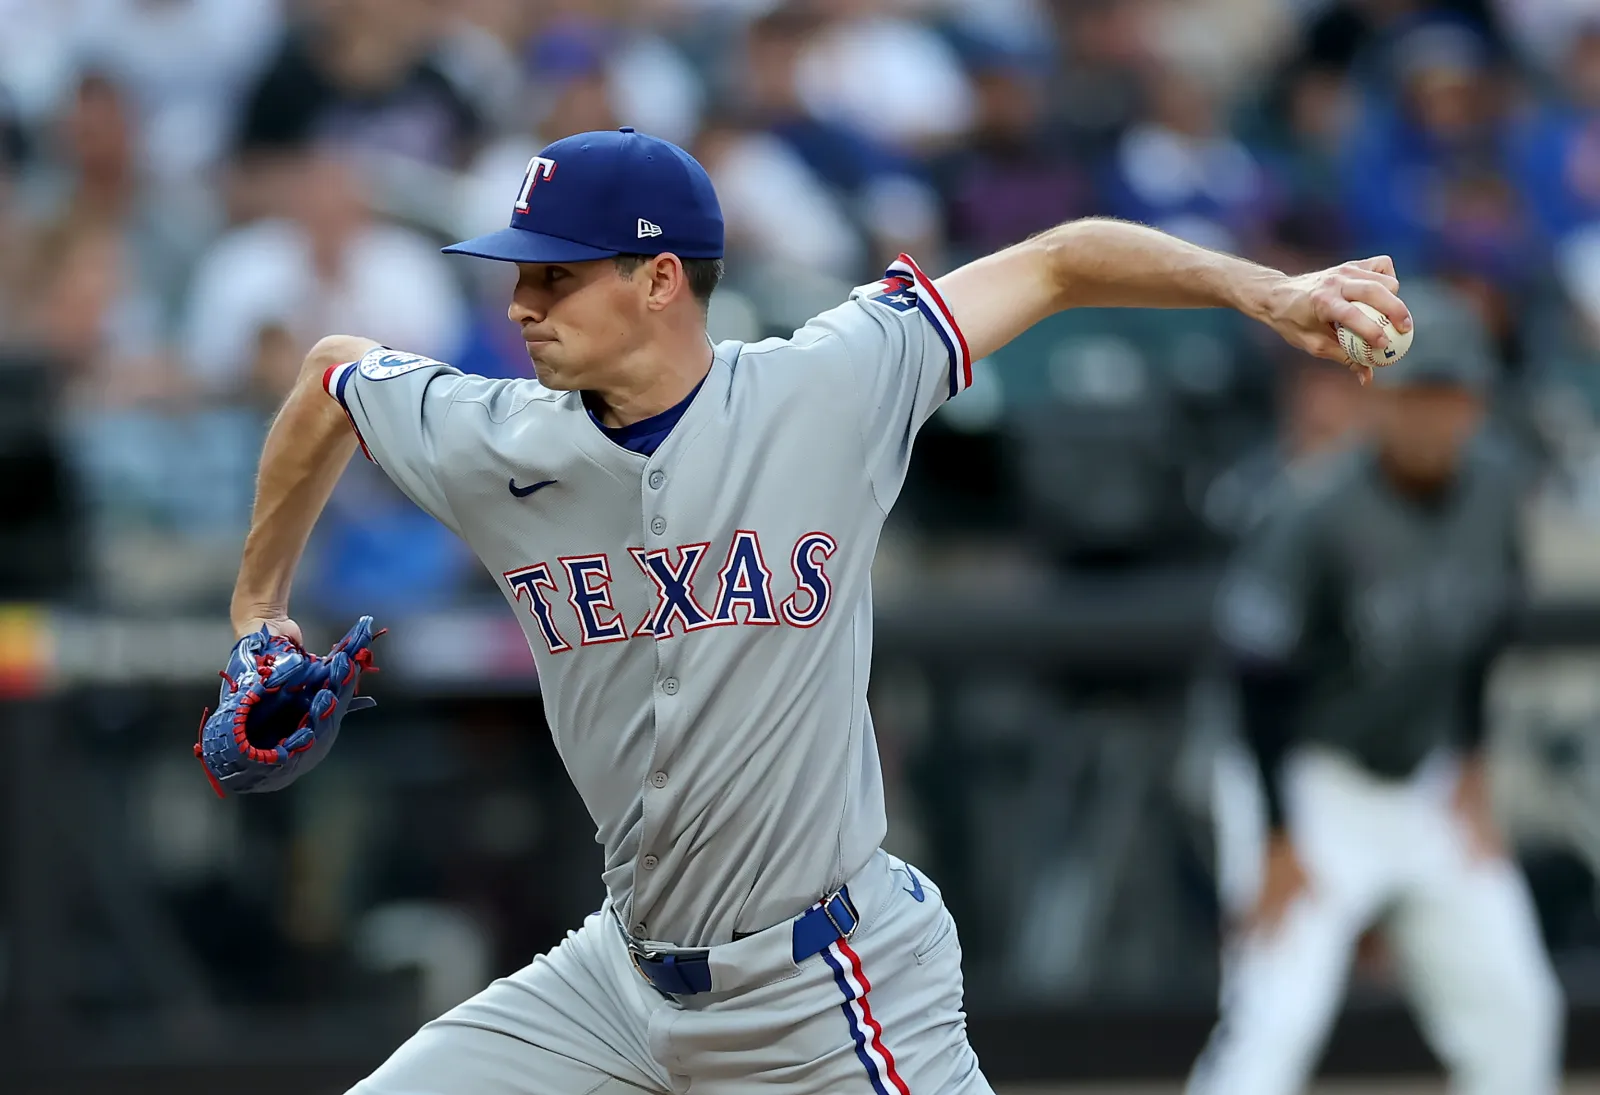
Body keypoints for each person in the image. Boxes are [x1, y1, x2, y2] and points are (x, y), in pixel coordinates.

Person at [225, 126, 1410, 1095]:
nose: (522, 303)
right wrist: (258, 615)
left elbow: (1059, 260)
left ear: (659, 280)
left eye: (556, 275)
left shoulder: (828, 384)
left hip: (824, 987)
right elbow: (332, 376)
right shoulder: (496, 441)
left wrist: (1267, 290)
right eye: (520, 275)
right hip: (616, 984)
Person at [1188, 282, 1563, 1095]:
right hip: (1306, 779)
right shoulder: (1312, 510)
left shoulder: (1498, 490)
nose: (1430, 414)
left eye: (1448, 393)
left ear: (1475, 402)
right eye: (1414, 392)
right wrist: (1276, 837)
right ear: (1377, 399)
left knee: (1518, 1012)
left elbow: (1483, 634)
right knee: (1273, 1023)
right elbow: (1257, 677)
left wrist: (1470, 761)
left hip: (1425, 780)